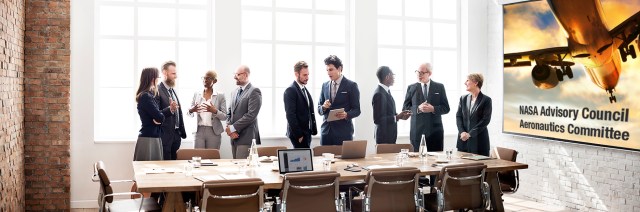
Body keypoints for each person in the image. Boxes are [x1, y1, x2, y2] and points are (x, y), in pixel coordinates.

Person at [402, 63, 450, 152]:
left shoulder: (439, 87)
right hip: (417, 133)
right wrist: (418, 108)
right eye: (417, 72)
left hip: (435, 133)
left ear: (430, 73)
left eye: (422, 73)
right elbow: (405, 109)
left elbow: (446, 108)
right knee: (416, 162)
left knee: (436, 162)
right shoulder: (411, 88)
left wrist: (433, 109)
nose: (419, 75)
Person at [317, 55, 361, 146]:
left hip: (343, 133)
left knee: (344, 160)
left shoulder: (351, 85)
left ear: (339, 68)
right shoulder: (324, 85)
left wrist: (347, 114)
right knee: (325, 160)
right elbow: (319, 109)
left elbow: (357, 110)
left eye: (331, 69)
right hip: (326, 133)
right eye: (327, 70)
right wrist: (324, 107)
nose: (328, 73)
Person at [226, 65, 262, 159]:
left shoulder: (254, 91)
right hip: (234, 137)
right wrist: (230, 129)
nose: (234, 77)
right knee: (235, 167)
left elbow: (251, 115)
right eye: (234, 74)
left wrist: (233, 128)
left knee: (243, 169)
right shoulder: (234, 92)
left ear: (245, 75)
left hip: (246, 137)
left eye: (237, 74)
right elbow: (229, 112)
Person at [188, 70, 227, 149]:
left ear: (214, 81)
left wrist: (215, 111)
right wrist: (192, 110)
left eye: (208, 78)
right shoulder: (196, 94)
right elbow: (189, 113)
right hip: (198, 131)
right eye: (204, 78)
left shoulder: (220, 96)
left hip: (214, 131)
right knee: (198, 158)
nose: (205, 80)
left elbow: (225, 117)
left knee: (212, 157)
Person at [456, 73, 492, 156]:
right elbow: (458, 116)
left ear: (476, 82)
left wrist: (470, 134)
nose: (465, 83)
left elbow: (485, 120)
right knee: (461, 167)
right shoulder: (463, 98)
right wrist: (462, 132)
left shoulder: (486, 100)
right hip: (463, 141)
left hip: (479, 142)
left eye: (467, 80)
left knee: (479, 168)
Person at [372, 66, 411, 144]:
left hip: (389, 137)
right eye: (393, 75)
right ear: (387, 77)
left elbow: (388, 113)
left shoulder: (386, 91)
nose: (394, 78)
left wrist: (401, 116)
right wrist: (396, 117)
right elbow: (377, 119)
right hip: (384, 138)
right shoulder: (379, 94)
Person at [156, 61, 186, 160]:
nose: (176, 76)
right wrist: (170, 109)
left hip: (176, 134)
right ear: (164, 73)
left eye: (176, 73)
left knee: (175, 165)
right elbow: (156, 114)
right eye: (173, 73)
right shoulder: (157, 90)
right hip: (165, 135)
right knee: (166, 165)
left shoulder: (172, 90)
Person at [284, 61, 318, 148]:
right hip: (299, 135)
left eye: (308, 74)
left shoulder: (304, 88)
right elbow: (290, 115)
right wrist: (299, 135)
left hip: (307, 133)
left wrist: (312, 130)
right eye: (304, 75)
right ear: (296, 74)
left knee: (306, 160)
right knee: (301, 160)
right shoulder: (291, 90)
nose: (307, 77)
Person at [133, 67, 165, 161]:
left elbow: (158, 117)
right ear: (152, 79)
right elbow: (160, 117)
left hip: (152, 137)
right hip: (149, 139)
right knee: (147, 171)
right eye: (158, 77)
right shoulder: (146, 96)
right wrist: (158, 117)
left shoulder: (149, 95)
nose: (158, 80)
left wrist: (159, 116)